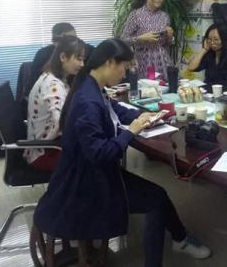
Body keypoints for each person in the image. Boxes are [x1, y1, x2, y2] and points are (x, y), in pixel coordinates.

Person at [33, 38, 210, 267]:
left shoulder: (91, 85)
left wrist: (141, 117)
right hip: (85, 184)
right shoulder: (88, 102)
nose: (126, 73)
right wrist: (131, 132)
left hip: (94, 173)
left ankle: (181, 239)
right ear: (109, 62)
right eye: (124, 67)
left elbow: (113, 109)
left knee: (158, 195)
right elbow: (100, 154)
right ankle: (175, 245)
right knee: (156, 200)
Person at [24, 35, 85, 172]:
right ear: (63, 57)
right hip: (45, 152)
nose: (82, 64)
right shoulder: (53, 85)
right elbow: (63, 123)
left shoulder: (52, 77)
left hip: (48, 145)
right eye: (78, 59)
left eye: (83, 59)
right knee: (94, 157)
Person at [121, 0, 174, 79]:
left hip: (163, 62)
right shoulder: (136, 15)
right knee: (148, 88)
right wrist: (140, 38)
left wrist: (170, 37)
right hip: (144, 63)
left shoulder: (164, 16)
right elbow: (123, 40)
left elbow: (167, 44)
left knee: (166, 87)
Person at [187, 23, 227, 92]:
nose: (212, 43)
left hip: (224, 95)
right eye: (209, 39)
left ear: (224, 40)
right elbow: (191, 67)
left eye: (216, 39)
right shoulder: (210, 54)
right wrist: (204, 49)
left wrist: (206, 88)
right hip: (208, 93)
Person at [30, 22, 77, 89]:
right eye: (71, 40)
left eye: (75, 39)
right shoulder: (42, 55)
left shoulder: (80, 52)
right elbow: (34, 84)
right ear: (56, 43)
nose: (76, 43)